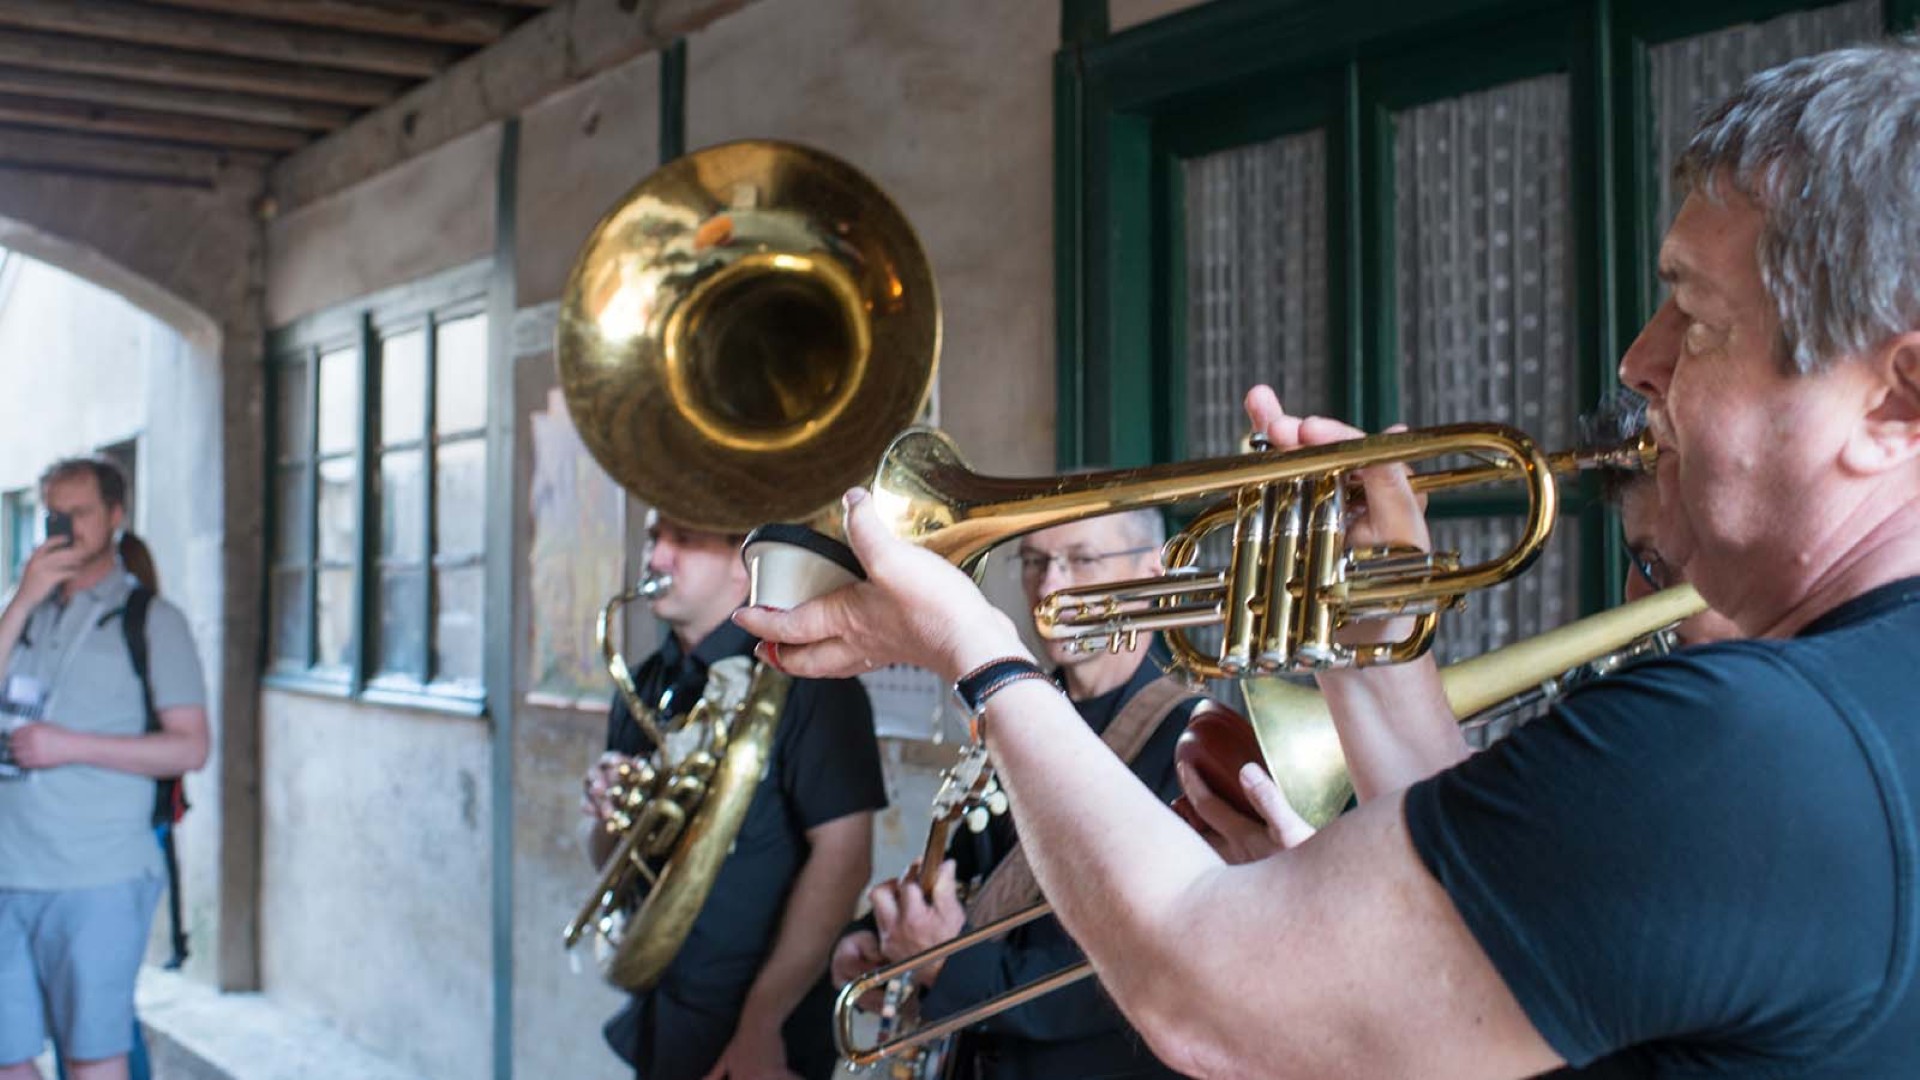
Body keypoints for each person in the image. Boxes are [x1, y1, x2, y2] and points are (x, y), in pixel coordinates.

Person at [739, 43, 1920, 1078]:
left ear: (1895, 399)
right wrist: (1371, 643)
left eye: (1697, 322)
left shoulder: (1757, 740)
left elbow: (1205, 999)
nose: (1638, 361)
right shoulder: (1860, 709)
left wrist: (975, 650)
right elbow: (1509, 968)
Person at [829, 509, 1203, 1080]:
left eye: (1081, 559)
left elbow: (1155, 975)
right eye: (1033, 561)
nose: (1049, 584)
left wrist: (950, 965)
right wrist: (881, 938)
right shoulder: (1018, 709)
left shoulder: (1194, 742)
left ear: (1152, 574)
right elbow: (973, 870)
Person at [580, 510, 885, 1080]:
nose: (656, 557)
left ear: (743, 565)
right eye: (654, 537)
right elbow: (609, 862)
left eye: (683, 538)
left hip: (766, 1032)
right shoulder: (641, 685)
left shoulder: (809, 679)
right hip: (663, 1014)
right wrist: (609, 815)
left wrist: (761, 1022)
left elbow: (845, 861)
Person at [0, 457, 209, 1080]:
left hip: (97, 874)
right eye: (53, 515)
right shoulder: (23, 614)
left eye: (81, 513)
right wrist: (23, 598)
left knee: (92, 1059)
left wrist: (72, 745)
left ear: (115, 516)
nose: (65, 528)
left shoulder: (152, 620)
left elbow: (191, 749)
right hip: (9, 868)